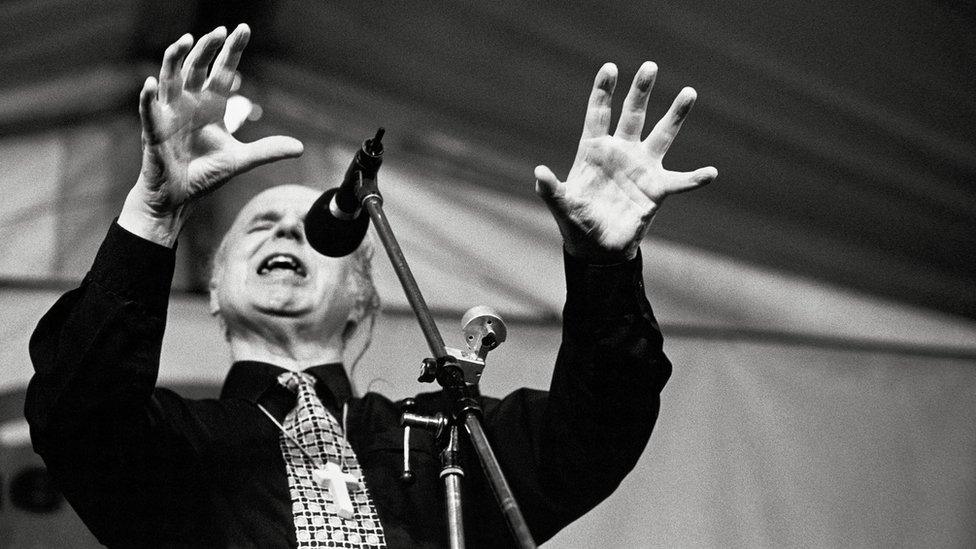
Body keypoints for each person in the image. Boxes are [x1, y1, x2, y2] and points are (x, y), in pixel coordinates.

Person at [26, 24, 716, 548]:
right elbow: (74, 412)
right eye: (260, 224)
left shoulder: (447, 432)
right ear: (214, 291)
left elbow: (598, 428)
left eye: (313, 227)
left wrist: (602, 263)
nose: (288, 234)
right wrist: (155, 212)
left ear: (362, 295)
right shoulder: (177, 441)